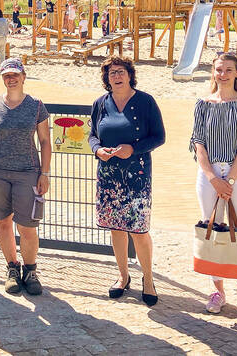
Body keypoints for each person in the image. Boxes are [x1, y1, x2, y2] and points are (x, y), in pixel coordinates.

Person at [88, 56, 165, 307]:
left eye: (121, 72)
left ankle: (149, 279)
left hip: (137, 176)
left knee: (139, 230)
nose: (117, 76)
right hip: (108, 176)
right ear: (106, 78)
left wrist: (134, 148)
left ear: (130, 75)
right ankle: (123, 276)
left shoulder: (145, 102)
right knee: (116, 228)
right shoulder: (100, 103)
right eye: (112, 73)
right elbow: (92, 135)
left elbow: (159, 137)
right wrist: (97, 150)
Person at [0, 58, 51, 295]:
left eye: (15, 74)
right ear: (2, 78)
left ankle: (30, 270)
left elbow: (46, 142)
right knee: (2, 222)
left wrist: (45, 173)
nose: (11, 78)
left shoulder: (37, 106)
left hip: (27, 172)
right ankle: (12, 267)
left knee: (27, 226)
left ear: (23, 77)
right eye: (6, 75)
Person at [190, 54, 237, 318]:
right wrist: (214, 179)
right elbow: (198, 143)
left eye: (229, 69)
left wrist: (228, 181)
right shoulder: (202, 104)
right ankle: (217, 289)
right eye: (219, 69)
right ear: (213, 72)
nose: (223, 74)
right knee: (213, 230)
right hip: (209, 177)